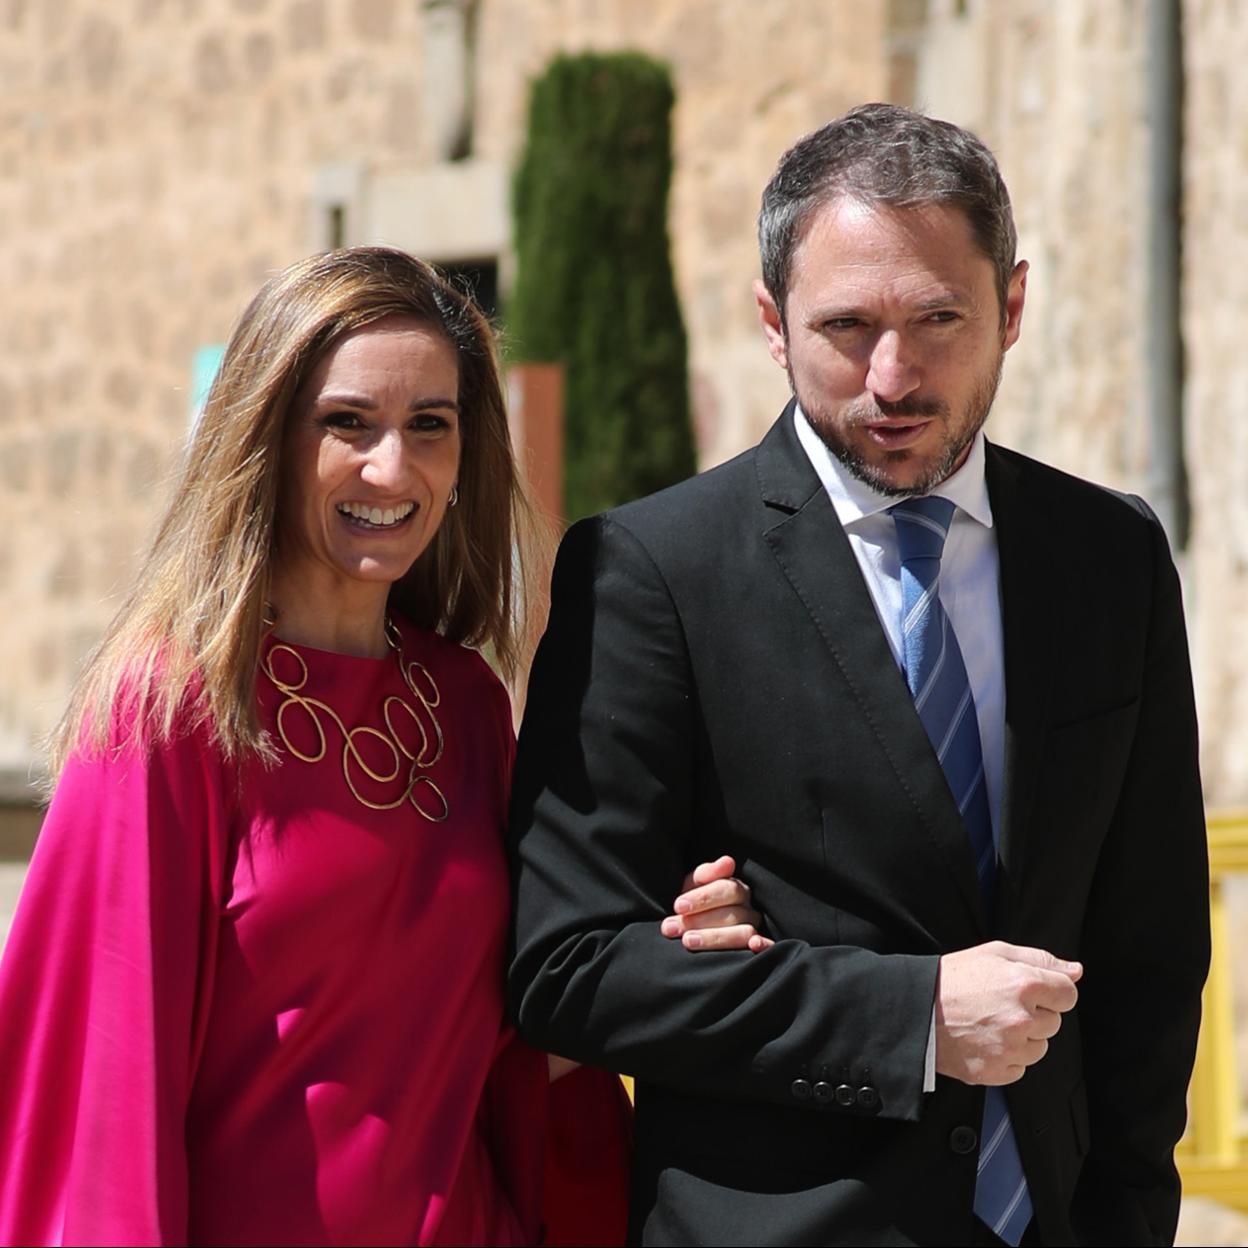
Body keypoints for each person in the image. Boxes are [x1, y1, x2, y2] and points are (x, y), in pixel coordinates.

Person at [507, 104, 1210, 1247]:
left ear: (1013, 307)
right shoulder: (652, 571)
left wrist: (1126, 1220)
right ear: (772, 324)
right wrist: (913, 1017)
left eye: (940, 317)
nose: (895, 376)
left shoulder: (1111, 557)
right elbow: (569, 967)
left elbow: (1152, 948)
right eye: (847, 326)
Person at [0, 246, 766, 1247]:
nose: (392, 469)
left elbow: (518, 1035)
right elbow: (103, 1097)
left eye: (429, 428)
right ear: (266, 436)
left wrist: (673, 934)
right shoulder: (169, 709)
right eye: (346, 424)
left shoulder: (465, 706)